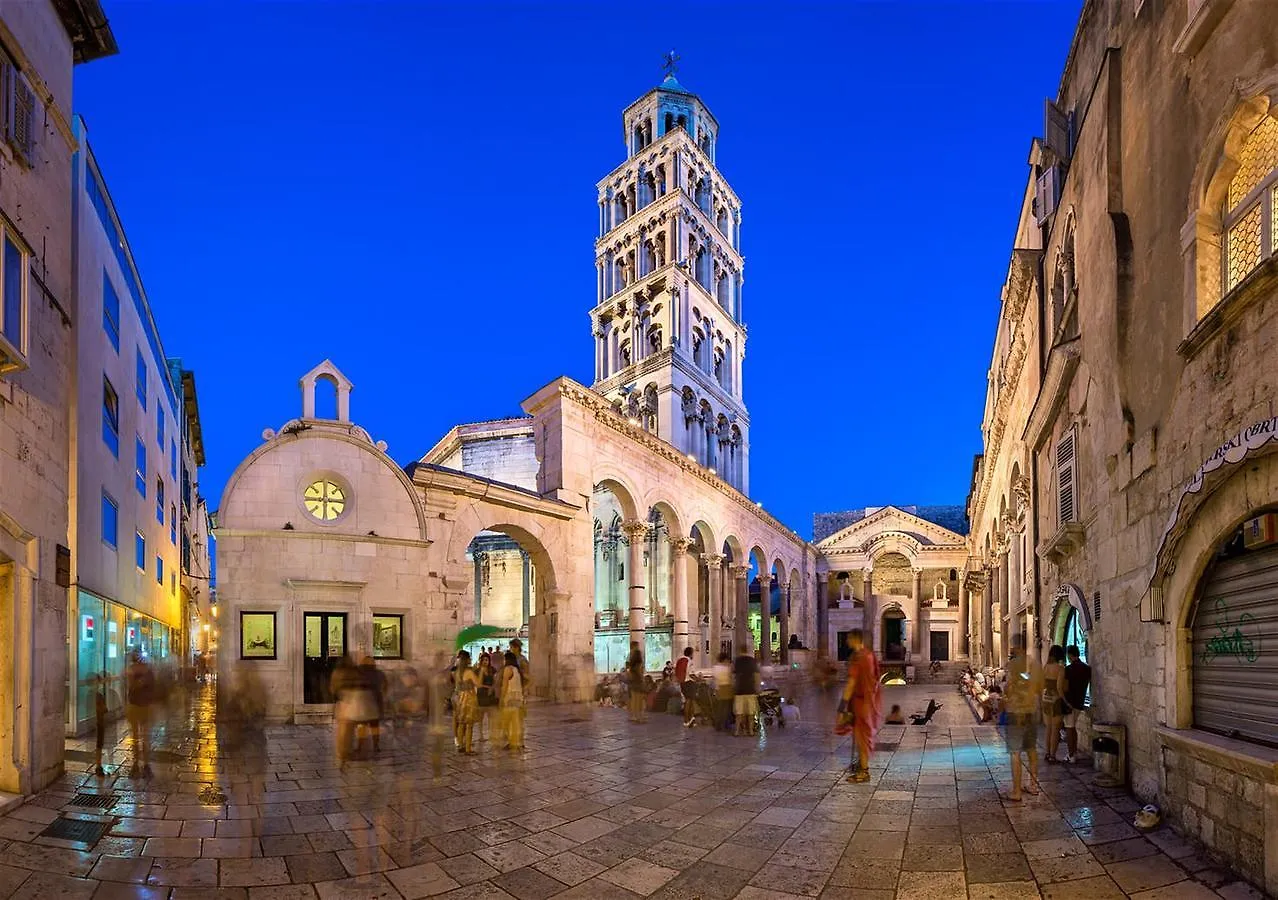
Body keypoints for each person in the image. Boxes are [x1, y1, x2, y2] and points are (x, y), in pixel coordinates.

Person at [1003, 634, 1044, 801]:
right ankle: (1033, 786)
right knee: (1031, 749)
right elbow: (1040, 687)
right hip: (1031, 711)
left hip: (1016, 712)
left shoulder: (1012, 665)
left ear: (1015, 647)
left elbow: (1007, 688)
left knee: (1015, 752)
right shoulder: (1034, 663)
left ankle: (1016, 791)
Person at [840, 629, 882, 782]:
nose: (846, 641)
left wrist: (841, 707)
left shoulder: (859, 657)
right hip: (868, 701)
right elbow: (877, 678)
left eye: (848, 638)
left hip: (860, 701)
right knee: (861, 736)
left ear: (855, 639)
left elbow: (851, 683)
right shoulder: (870, 655)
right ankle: (861, 766)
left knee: (861, 737)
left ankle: (864, 772)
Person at [124, 650, 156, 778]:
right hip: (142, 706)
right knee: (143, 737)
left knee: (138, 737)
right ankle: (143, 764)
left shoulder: (132, 670)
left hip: (137, 706)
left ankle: (138, 764)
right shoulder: (147, 671)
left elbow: (131, 686)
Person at [1063, 644, 1092, 763]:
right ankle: (1074, 752)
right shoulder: (1086, 668)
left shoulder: (1069, 669)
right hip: (1080, 702)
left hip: (1070, 703)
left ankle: (1071, 754)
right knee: (1073, 727)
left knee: (1069, 728)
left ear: (1069, 655)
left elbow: (1065, 687)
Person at [1042, 645, 1068, 764]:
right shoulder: (1060, 668)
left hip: (1046, 699)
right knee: (1055, 729)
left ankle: (1047, 753)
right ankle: (1053, 755)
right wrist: (1066, 701)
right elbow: (1059, 687)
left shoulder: (1046, 667)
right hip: (1056, 700)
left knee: (1048, 729)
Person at [453, 650, 479, 754]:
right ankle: (468, 749)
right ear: (467, 659)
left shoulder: (457, 672)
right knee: (469, 724)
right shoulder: (469, 672)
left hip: (459, 697)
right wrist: (479, 671)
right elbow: (478, 683)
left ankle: (460, 745)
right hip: (468, 697)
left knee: (461, 723)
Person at [499, 649, 526, 751]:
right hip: (518, 699)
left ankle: (512, 743)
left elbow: (505, 686)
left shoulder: (508, 669)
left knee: (508, 722)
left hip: (510, 698)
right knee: (517, 722)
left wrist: (501, 699)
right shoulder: (517, 670)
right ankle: (519, 743)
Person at [732, 649, 759, 736]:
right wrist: (757, 687)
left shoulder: (737, 661)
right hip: (750, 689)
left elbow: (733, 675)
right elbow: (756, 675)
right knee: (751, 713)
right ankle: (750, 731)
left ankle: (736, 731)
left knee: (739, 713)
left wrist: (734, 686)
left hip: (739, 690)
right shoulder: (752, 661)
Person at [476, 654, 498, 741]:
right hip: (481, 694)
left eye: (487, 660)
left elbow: (495, 681)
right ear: (481, 661)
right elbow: (479, 683)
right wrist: (481, 671)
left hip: (490, 695)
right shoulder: (477, 670)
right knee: (480, 716)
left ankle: (491, 733)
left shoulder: (492, 670)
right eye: (484, 660)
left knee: (491, 716)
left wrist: (492, 688)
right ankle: (480, 735)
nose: (485, 662)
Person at [626, 642, 647, 723]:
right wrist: (642, 678)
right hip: (637, 679)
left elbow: (628, 667)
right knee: (639, 698)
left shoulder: (630, 656)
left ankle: (634, 715)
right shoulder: (637, 655)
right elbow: (639, 668)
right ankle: (639, 716)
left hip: (633, 679)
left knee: (634, 697)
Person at [713, 652, 734, 731]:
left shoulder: (716, 667)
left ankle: (718, 724)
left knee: (720, 707)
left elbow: (715, 679)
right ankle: (725, 724)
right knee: (726, 707)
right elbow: (730, 678)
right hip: (726, 687)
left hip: (718, 688)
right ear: (725, 659)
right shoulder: (727, 668)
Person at [676, 647, 696, 727]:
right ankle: (687, 720)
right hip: (689, 682)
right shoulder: (689, 661)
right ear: (690, 653)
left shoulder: (680, 660)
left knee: (687, 701)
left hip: (682, 682)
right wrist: (698, 679)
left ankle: (690, 719)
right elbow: (691, 674)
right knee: (689, 701)